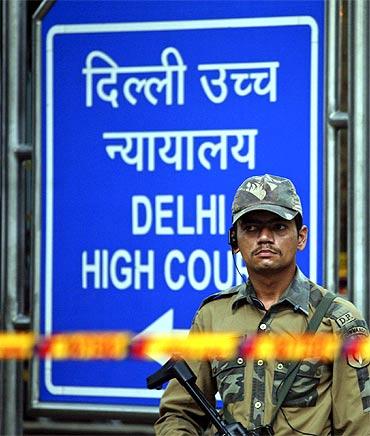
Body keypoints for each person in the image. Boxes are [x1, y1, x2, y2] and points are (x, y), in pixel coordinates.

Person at [154, 174, 370, 436]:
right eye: (252, 228)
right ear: (234, 239)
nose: (265, 238)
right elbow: (179, 413)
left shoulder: (338, 320)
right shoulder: (213, 316)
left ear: (301, 237)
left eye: (279, 227)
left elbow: (359, 427)